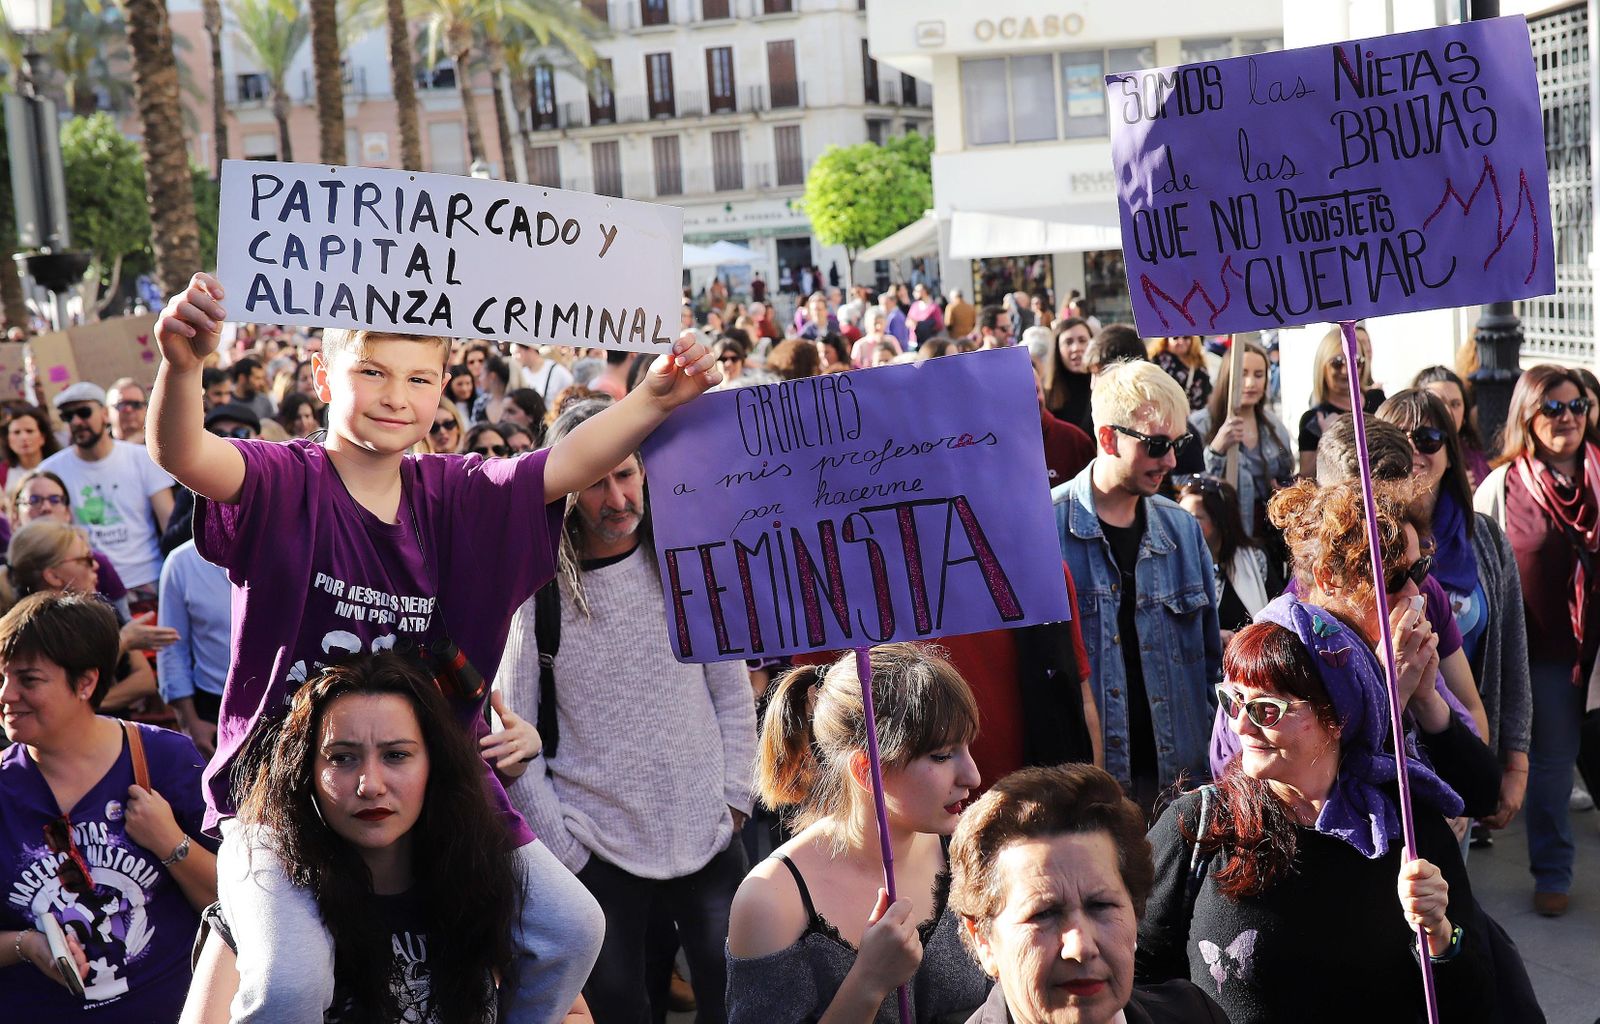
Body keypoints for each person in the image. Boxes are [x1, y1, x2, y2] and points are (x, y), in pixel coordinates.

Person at [148, 270, 721, 1021]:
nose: (396, 396)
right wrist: (181, 366)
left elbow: (563, 466)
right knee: (290, 986)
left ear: (443, 387)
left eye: (419, 378)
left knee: (573, 928)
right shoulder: (285, 479)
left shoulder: (458, 492)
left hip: (437, 785)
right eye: (372, 372)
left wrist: (656, 398)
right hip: (278, 794)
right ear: (322, 375)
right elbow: (186, 454)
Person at [499, 397, 756, 1022]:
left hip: (708, 831)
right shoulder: (536, 594)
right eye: (595, 482)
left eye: (626, 474)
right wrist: (564, 847)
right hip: (597, 848)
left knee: (740, 1003)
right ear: (567, 490)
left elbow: (731, 693)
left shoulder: (688, 565)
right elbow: (511, 734)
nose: (616, 498)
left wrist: (734, 798)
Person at [1138, 605, 1501, 1023]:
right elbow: (1136, 975)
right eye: (1233, 701)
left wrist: (1438, 933)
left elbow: (1475, 1005)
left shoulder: (1407, 829)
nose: (1240, 727)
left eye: (1266, 710)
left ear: (1336, 717)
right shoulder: (1199, 825)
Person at [181, 654, 531, 1024]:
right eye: (342, 758)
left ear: (434, 764)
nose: (371, 785)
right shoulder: (268, 916)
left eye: (396, 755)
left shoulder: (486, 891)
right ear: (306, 771)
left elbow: (562, 1005)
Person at [726, 646, 989, 1022]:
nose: (973, 776)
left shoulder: (969, 851)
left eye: (968, 746)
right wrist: (869, 981)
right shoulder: (770, 899)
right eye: (942, 755)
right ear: (867, 769)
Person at [0, 592, 218, 1021]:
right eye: (1, 676)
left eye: (29, 680)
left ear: (85, 683)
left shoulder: (163, 759)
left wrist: (172, 845)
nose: (6, 694)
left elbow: (237, 905)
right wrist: (27, 946)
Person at [1053, 360, 1220, 812]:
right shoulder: (1048, 528)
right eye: (1156, 445)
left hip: (1183, 786)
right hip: (1092, 791)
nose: (1171, 461)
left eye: (1178, 444)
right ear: (1108, 438)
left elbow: (1210, 665)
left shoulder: (1182, 530)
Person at [949, 764, 1228, 1024]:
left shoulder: (1195, 1014)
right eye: (1043, 914)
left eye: (1101, 905)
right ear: (983, 940)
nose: (1080, 947)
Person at [1377, 390, 1531, 838]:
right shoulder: (1364, 546)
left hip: (1466, 744)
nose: (1415, 451)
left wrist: (1515, 764)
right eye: (1400, 438)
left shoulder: (1485, 536)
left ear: (1450, 451)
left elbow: (1513, 654)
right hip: (1396, 775)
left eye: (1428, 438)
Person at [1474, 364, 1597, 918]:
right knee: (1551, 765)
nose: (1568, 417)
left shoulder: (1599, 472)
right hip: (1543, 652)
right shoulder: (1503, 485)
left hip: (1596, 651)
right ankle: (1553, 870)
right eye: (1553, 407)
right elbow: (1476, 562)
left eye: (1577, 406)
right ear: (1528, 414)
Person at [0, 520, 160, 714]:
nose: (96, 565)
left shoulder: (100, 612)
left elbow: (145, 681)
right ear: (53, 576)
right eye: (86, 559)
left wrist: (85, 710)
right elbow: (55, 704)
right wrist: (123, 642)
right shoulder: (25, 631)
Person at [40, 382, 174, 605]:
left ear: (104, 414)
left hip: (148, 580)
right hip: (89, 588)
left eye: (84, 412)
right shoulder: (50, 471)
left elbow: (168, 522)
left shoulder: (142, 458)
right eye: (67, 416)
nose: (76, 421)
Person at [1189, 339, 1293, 539]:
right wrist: (1216, 451)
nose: (1250, 383)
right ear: (1227, 375)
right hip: (1222, 536)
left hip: (1267, 539)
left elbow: (1286, 475)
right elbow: (1189, 488)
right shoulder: (1199, 425)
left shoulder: (1274, 426)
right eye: (1242, 373)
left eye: (1259, 375)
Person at [1173, 474, 1275, 642]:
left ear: (1220, 521)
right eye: (1180, 516)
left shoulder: (1254, 560)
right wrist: (1212, 636)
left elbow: (1276, 615)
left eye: (1195, 518)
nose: (1183, 524)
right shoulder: (1171, 565)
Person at [157, 536, 231, 759]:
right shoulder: (181, 562)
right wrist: (189, 721)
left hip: (282, 701)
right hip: (213, 708)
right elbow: (172, 647)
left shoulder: (289, 550)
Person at [1296, 325, 1384, 477]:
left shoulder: (1377, 399)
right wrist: (1327, 438)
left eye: (1355, 361)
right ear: (1322, 365)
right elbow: (1307, 477)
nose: (1346, 370)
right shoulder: (1313, 420)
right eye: (1337, 363)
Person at [1413, 366, 1492, 489]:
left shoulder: (1478, 458)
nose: (1447, 412)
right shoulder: (1411, 451)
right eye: (1439, 403)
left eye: (1455, 404)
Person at [1044, 318, 1095, 435]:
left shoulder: (1106, 388)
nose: (1076, 348)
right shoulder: (1046, 394)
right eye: (1068, 342)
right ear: (1057, 349)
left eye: (1082, 340)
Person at [0, 406, 59, 495]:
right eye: (16, 432)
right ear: (8, 440)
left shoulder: (59, 466)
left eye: (29, 431)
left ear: (42, 437)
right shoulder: (2, 473)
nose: (24, 437)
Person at [1147, 336, 1211, 412]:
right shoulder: (1155, 359)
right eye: (1175, 337)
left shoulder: (1199, 368)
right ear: (1166, 339)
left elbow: (1203, 399)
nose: (1180, 341)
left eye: (1186, 337)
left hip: (1186, 414)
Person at [511, 340, 576, 406]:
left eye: (517, 352)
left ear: (530, 350)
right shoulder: (521, 373)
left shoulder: (557, 371)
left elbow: (573, 395)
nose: (514, 357)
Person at [104, 379, 149, 446]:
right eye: (121, 405)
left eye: (136, 404)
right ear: (106, 412)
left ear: (146, 410)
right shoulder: (95, 448)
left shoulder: (160, 446)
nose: (128, 409)